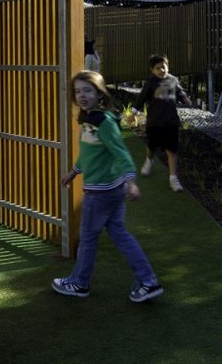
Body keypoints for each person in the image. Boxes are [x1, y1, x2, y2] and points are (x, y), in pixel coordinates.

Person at [52, 70, 163, 303]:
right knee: (119, 234)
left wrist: (131, 181)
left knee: (87, 238)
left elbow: (121, 153)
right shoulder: (89, 119)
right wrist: (73, 172)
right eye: (78, 91)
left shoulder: (104, 122)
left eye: (88, 91)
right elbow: (88, 153)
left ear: (100, 94)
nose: (82, 95)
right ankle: (148, 281)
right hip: (111, 192)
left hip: (101, 193)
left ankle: (79, 283)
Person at [129, 54, 191, 192]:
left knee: (172, 150)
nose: (162, 70)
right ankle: (149, 160)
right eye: (158, 68)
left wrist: (185, 98)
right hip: (154, 122)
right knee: (152, 146)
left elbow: (180, 92)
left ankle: (173, 178)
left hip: (171, 122)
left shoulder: (173, 80)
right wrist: (133, 113)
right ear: (152, 70)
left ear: (167, 66)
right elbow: (141, 98)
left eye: (164, 67)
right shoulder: (150, 82)